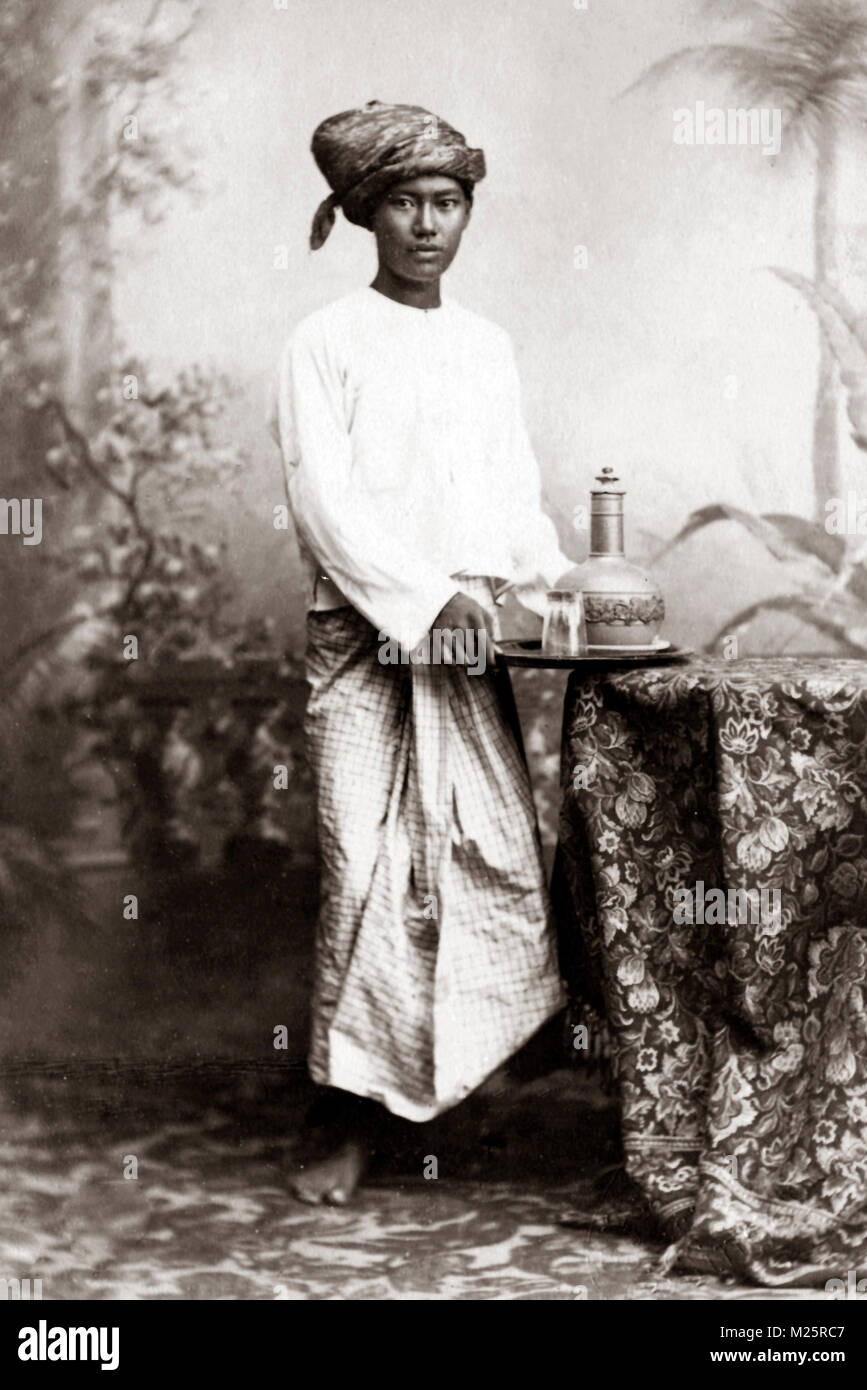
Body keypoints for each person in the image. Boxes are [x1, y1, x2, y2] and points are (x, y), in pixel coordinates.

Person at [268, 100, 572, 1204]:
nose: (430, 224)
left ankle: (453, 1086)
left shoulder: (484, 346)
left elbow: (510, 496)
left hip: (466, 645)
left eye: (449, 203)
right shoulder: (324, 343)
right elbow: (325, 507)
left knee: (476, 855)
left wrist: (557, 589)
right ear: (366, 215)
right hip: (367, 640)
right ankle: (341, 1113)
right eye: (408, 203)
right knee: (363, 869)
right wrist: (424, 595)